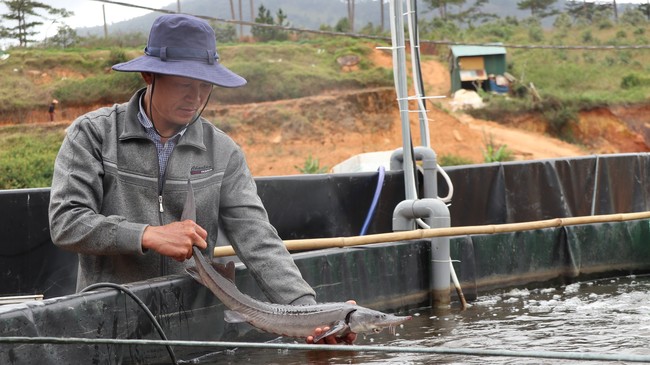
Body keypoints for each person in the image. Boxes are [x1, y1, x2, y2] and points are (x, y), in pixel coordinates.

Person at [48, 14, 354, 345]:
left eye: (205, 86)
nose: (195, 99)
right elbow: (67, 222)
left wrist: (308, 313)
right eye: (184, 85)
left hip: (194, 333)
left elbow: (258, 239)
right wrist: (147, 235)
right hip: (110, 330)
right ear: (149, 74)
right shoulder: (93, 135)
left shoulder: (222, 151)